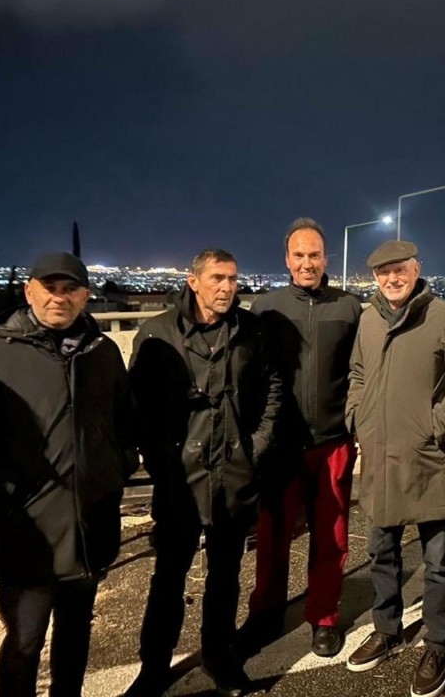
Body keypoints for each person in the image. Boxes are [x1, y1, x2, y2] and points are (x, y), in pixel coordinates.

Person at [0, 252, 137, 697]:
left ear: (85, 296)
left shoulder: (102, 353)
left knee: (76, 631)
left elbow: (125, 422)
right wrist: (6, 495)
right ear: (29, 291)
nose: (59, 298)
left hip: (90, 524)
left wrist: (115, 472)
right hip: (27, 531)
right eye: (50, 288)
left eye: (70, 289)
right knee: (25, 640)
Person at [126, 249, 282, 697]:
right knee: (169, 577)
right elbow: (138, 406)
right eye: (217, 278)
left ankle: (219, 656)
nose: (227, 287)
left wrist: (255, 447)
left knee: (225, 576)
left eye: (232, 278)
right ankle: (154, 666)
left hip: (233, 475)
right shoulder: (158, 333)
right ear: (193, 281)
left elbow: (272, 388)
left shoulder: (251, 330)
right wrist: (161, 460)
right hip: (180, 479)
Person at [344, 240, 445, 697]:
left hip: (430, 459)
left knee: (438, 560)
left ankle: (438, 644)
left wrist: (432, 426)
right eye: (383, 272)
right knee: (381, 551)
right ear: (375, 277)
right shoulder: (369, 319)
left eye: (399, 270)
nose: (392, 278)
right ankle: (387, 630)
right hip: (380, 457)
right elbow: (358, 374)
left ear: (416, 269)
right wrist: (358, 417)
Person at [244, 218, 361, 657]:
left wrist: (355, 425)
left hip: (333, 441)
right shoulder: (266, 308)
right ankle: (266, 612)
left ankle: (324, 617)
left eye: (314, 255)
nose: (307, 263)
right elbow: (252, 376)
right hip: (281, 445)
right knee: (273, 535)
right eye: (299, 255)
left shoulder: (349, 307)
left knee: (331, 536)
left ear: (326, 258)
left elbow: (361, 372)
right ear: (287, 259)